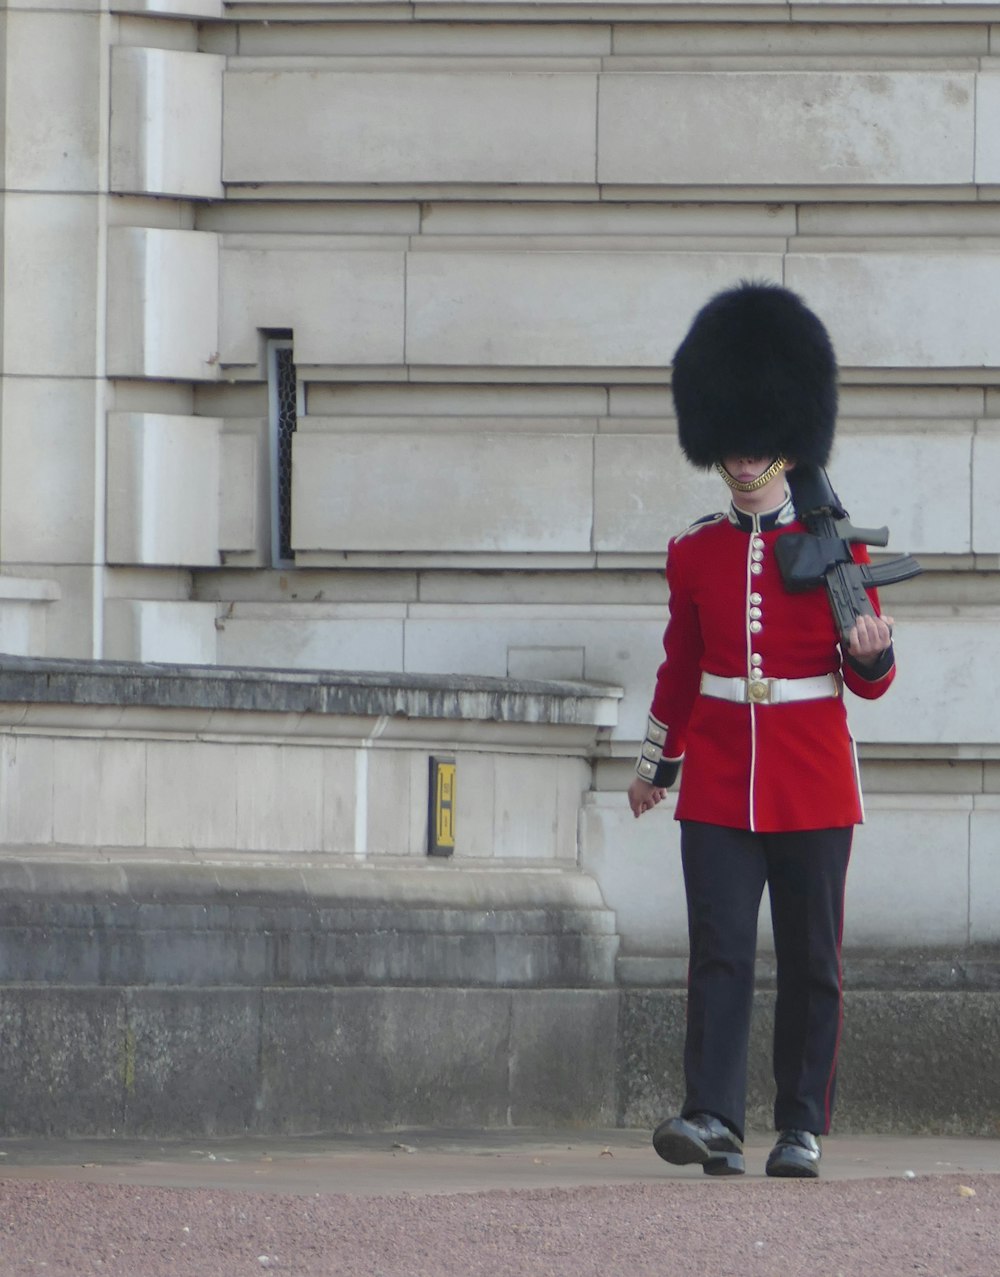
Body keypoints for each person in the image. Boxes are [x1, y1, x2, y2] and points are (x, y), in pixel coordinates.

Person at [628, 281, 895, 1179]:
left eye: (758, 449)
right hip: (718, 775)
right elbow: (680, 666)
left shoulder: (837, 548)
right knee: (720, 954)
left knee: (813, 962)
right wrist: (657, 764)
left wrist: (867, 652)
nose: (744, 464)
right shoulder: (694, 550)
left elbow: (874, 678)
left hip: (812, 772)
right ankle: (711, 1115)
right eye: (732, 450)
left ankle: (801, 1123)